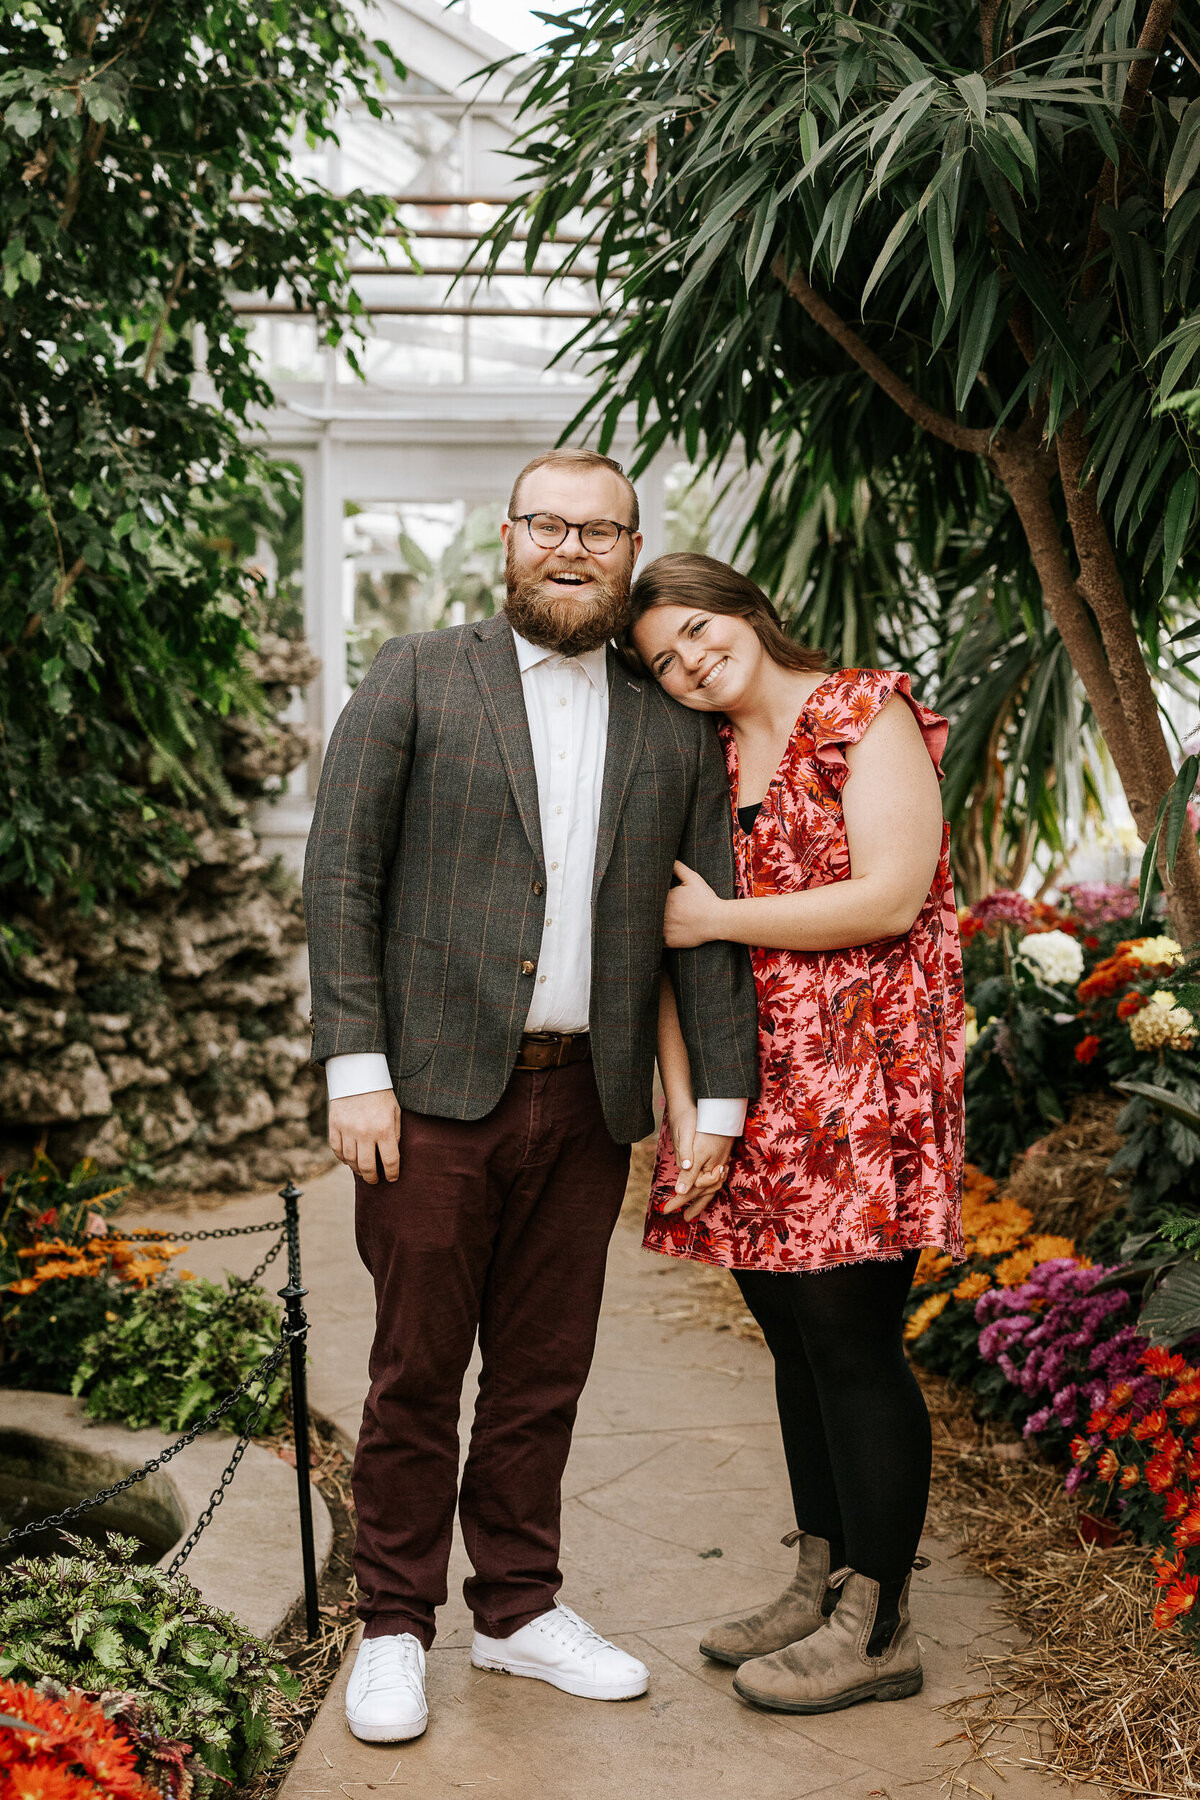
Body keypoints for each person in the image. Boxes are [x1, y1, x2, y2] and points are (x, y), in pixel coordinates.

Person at [302, 456, 759, 1744]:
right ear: (506, 539)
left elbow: (702, 926)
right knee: (413, 1372)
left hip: (587, 1103)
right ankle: (394, 1623)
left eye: (600, 529)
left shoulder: (670, 724)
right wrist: (357, 1069)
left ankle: (516, 1610)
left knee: (544, 1375)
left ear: (629, 550)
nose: (572, 547)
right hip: (431, 1099)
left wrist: (713, 1104)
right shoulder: (415, 674)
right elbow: (342, 877)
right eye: (548, 525)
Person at [625, 551, 965, 1717]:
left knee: (855, 1339)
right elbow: (659, 940)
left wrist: (722, 915)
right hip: (753, 1091)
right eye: (663, 660)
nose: (690, 661)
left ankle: (881, 1623)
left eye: (696, 630)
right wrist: (687, 1109)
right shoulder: (704, 760)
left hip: (862, 1087)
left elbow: (891, 894)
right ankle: (821, 1576)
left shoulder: (863, 713)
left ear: (740, 608)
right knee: (791, 1338)